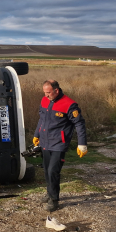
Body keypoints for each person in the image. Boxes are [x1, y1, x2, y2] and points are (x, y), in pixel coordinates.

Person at [33, 80, 87, 212]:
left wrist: (82, 144)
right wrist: (36, 134)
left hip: (59, 143)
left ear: (56, 91)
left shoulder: (69, 105)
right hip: (45, 141)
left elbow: (79, 124)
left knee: (53, 171)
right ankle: (49, 192)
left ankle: (54, 200)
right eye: (44, 92)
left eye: (48, 92)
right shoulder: (45, 100)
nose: (46, 95)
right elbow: (42, 119)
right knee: (46, 170)